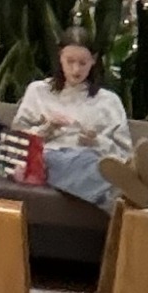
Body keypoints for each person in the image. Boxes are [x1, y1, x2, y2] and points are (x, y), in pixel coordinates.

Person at [10, 30, 136, 212]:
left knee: (90, 159)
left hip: (91, 160)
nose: (76, 70)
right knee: (79, 161)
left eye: (83, 63)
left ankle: (122, 185)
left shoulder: (109, 101)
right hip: (49, 159)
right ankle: (128, 186)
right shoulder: (38, 91)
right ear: (60, 57)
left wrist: (96, 141)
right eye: (70, 62)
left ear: (93, 60)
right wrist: (47, 129)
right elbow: (18, 143)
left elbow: (124, 154)